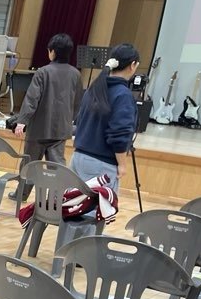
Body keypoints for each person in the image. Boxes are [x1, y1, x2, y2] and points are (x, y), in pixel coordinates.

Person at [11, 33, 82, 200]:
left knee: (30, 164)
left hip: (39, 129)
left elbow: (31, 99)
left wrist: (22, 121)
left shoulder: (43, 72)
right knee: (57, 167)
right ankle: (55, 198)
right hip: (61, 130)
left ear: (52, 52)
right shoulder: (75, 74)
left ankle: (21, 194)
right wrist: (70, 120)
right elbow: (78, 101)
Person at [70, 43, 140, 193]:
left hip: (78, 157)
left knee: (74, 204)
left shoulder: (94, 88)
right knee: (98, 207)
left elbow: (79, 120)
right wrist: (122, 164)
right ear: (132, 65)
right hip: (101, 163)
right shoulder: (123, 95)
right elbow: (119, 134)